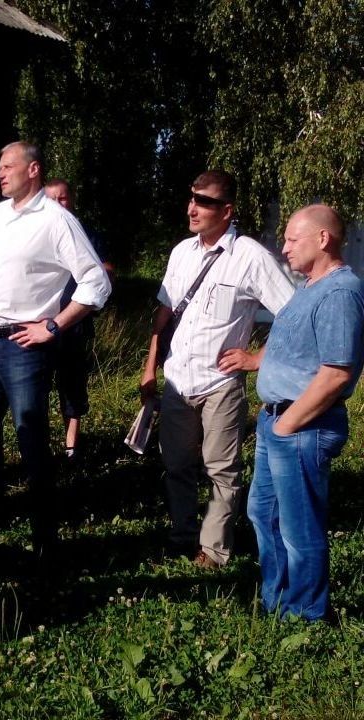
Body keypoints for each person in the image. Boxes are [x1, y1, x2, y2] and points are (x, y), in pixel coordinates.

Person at [140, 170, 294, 570]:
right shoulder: (180, 253)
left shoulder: (250, 257)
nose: (193, 207)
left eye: (204, 201)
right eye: (192, 198)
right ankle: (181, 539)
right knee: (176, 466)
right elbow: (165, 313)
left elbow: (293, 314)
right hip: (177, 379)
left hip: (220, 383)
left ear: (227, 211)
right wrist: (150, 366)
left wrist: (257, 358)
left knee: (221, 470)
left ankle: (214, 551)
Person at [0, 142, 110, 550]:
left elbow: (95, 281)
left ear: (33, 170)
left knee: (30, 438)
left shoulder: (56, 220)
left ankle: (43, 529)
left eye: (7, 166)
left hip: (24, 347)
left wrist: (54, 325)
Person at [245, 204, 364, 620]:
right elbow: (300, 352)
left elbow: (336, 372)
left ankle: (306, 615)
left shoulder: (339, 293)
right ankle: (277, 601)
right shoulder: (310, 288)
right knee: (264, 512)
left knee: (299, 527)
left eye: (293, 239)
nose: (284, 247)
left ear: (323, 239)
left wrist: (287, 423)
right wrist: (256, 362)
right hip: (280, 420)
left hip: (302, 425)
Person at [43, 178, 113, 459]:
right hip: (40, 323)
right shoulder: (37, 236)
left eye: (63, 199)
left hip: (75, 323)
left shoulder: (88, 235)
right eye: (51, 199)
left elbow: (106, 269)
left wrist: (102, 286)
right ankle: (41, 444)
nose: (58, 204)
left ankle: (71, 446)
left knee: (72, 384)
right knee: (38, 384)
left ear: (71, 201)